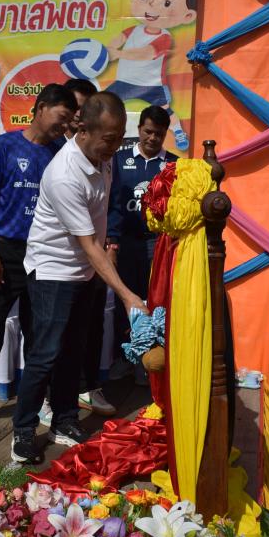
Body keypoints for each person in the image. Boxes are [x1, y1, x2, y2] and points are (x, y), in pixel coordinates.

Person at [11, 91, 148, 464]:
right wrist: (127, 295)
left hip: (84, 271)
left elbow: (99, 229)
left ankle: (65, 419)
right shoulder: (64, 174)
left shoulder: (104, 158)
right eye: (109, 139)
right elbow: (88, 244)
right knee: (45, 354)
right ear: (83, 130)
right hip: (53, 271)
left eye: (119, 139)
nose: (115, 148)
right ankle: (23, 431)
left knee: (74, 350)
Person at [0, 83, 78, 434]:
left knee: (39, 333)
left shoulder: (62, 153)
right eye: (61, 117)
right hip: (5, 251)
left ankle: (39, 401)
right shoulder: (4, 145)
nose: (64, 126)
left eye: (69, 120)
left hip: (44, 255)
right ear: (40, 108)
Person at [39, 77, 116, 421]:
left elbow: (108, 205)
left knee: (82, 337)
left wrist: (111, 242)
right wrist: (128, 295)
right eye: (74, 109)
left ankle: (76, 402)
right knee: (48, 346)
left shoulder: (105, 153)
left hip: (90, 261)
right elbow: (83, 236)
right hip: (57, 264)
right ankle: (38, 410)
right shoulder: (60, 160)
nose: (77, 115)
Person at [107, 105, 176, 381]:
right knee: (125, 299)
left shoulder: (173, 165)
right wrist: (112, 242)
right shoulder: (118, 159)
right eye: (148, 132)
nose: (152, 138)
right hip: (124, 243)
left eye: (158, 133)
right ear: (139, 130)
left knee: (155, 302)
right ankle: (124, 357)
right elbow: (111, 204)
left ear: (165, 134)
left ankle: (148, 364)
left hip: (156, 244)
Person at [107, 0, 198, 151]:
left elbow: (146, 54)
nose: (151, 5)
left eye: (166, 3)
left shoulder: (164, 37)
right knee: (105, 103)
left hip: (152, 84)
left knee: (164, 111)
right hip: (125, 81)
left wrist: (119, 54)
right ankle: (107, 133)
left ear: (187, 16)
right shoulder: (134, 29)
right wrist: (107, 50)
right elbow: (119, 38)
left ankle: (178, 131)